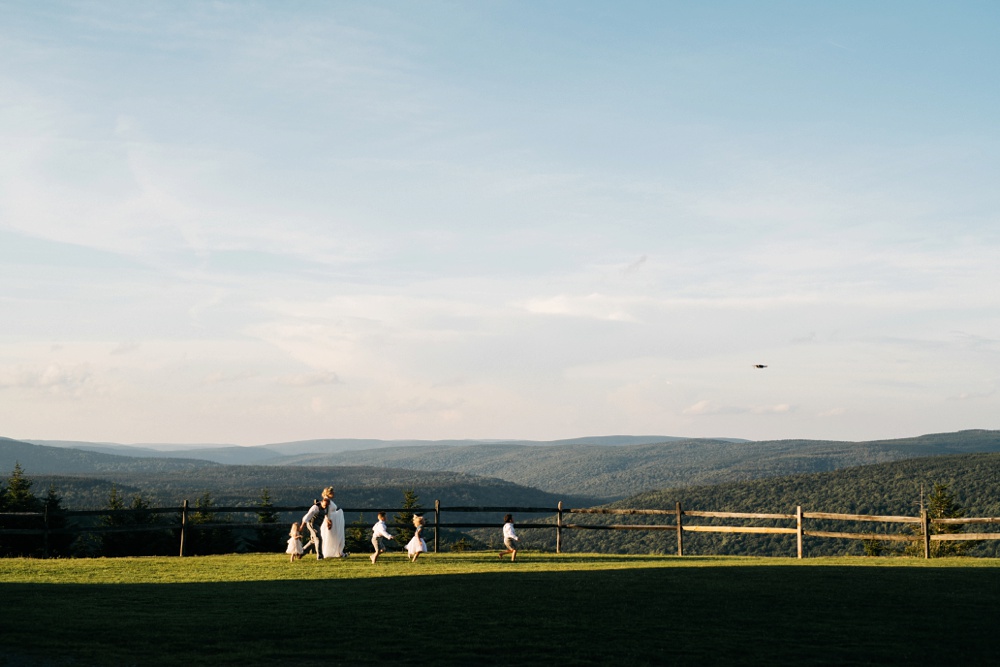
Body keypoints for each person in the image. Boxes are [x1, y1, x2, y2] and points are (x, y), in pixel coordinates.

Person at [320, 486, 348, 558]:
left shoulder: (329, 500)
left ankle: (339, 552)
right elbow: (326, 511)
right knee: (330, 536)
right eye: (332, 492)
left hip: (333, 520)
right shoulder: (326, 500)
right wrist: (328, 520)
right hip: (331, 520)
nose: (333, 493)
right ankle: (333, 552)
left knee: (334, 536)